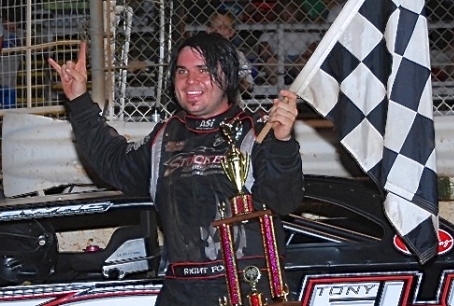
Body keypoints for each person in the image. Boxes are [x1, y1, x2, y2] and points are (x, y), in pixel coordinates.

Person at [48, 32, 304, 305]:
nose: (191, 80)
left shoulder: (259, 130)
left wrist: (283, 143)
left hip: (251, 288)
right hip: (182, 291)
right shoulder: (164, 136)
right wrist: (79, 100)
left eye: (203, 70)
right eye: (182, 71)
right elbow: (114, 163)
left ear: (228, 76)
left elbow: (284, 200)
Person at [257, 2, 321, 85]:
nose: (288, 14)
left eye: (291, 11)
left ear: (298, 12)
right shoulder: (272, 29)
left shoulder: (306, 29)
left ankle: (300, 89)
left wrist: (306, 55)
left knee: (304, 62)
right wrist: (268, 55)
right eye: (285, 11)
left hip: (300, 57)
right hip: (278, 57)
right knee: (271, 62)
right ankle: (276, 89)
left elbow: (314, 44)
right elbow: (264, 44)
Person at [207, 9, 254, 98]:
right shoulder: (202, 54)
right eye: (217, 27)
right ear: (209, 30)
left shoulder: (238, 55)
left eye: (225, 27)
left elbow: (248, 85)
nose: (220, 30)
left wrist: (236, 79)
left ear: (231, 32)